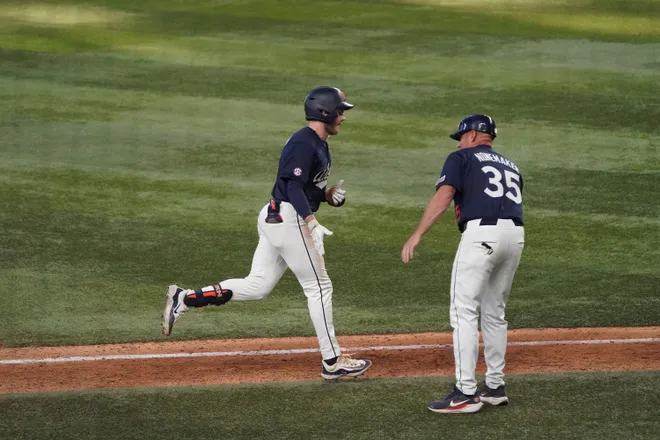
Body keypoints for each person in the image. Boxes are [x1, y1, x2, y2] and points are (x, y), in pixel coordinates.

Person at [162, 86, 372, 380]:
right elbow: (292, 186)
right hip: (289, 219)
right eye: (340, 111)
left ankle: (184, 298)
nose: (343, 117)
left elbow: (303, 186)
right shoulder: (304, 142)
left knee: (258, 285)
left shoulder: (316, 142)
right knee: (320, 287)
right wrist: (311, 220)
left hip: (277, 216)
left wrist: (325, 196)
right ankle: (332, 361)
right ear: (324, 112)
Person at [401, 114, 524, 413]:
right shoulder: (510, 164)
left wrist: (417, 233)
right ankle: (495, 386)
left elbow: (445, 195)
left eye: (460, 138)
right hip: (516, 236)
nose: (458, 144)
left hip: (482, 236)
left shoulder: (463, 158)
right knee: (495, 312)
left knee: (464, 310)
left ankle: (465, 393)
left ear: (471, 135)